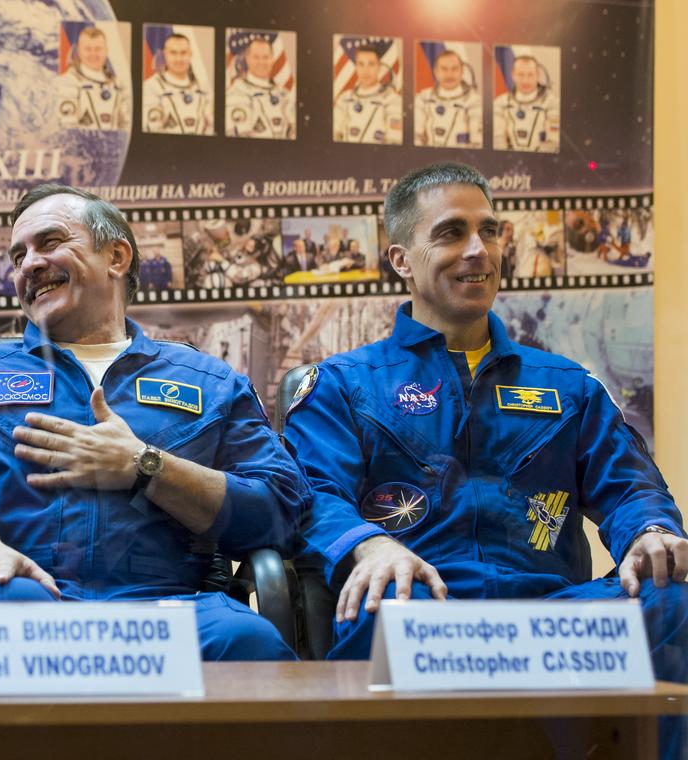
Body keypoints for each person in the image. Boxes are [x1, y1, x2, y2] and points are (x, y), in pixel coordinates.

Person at [284, 162, 686, 752]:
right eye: (451, 233)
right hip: (421, 610)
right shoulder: (344, 386)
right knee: (387, 609)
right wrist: (369, 545)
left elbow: (630, 488)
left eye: (489, 231)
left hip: (553, 620)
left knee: (674, 596)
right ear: (400, 260)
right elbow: (310, 495)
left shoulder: (567, 385)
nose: (479, 250)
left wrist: (650, 532)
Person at [0, 184, 308, 661]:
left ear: (116, 256)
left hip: (170, 608)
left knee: (252, 643)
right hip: (26, 591)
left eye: (49, 243)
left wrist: (145, 467)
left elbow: (278, 512)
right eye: (18, 256)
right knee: (7, 606)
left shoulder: (211, 382)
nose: (28, 264)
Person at [57, 26, 128, 131]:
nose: (93, 54)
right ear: (78, 51)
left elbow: (127, 124)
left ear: (106, 51)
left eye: (98, 49)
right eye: (87, 49)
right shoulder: (67, 83)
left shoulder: (118, 84)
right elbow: (67, 129)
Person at [225, 36, 295, 140]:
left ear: (272, 59)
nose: (261, 62)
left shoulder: (284, 94)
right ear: (247, 59)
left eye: (266, 57)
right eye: (256, 57)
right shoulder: (236, 93)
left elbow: (293, 133)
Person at [142, 33, 212, 136]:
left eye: (183, 53)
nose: (179, 59)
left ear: (190, 54)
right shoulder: (151, 87)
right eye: (173, 53)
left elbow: (212, 124)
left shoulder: (203, 86)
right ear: (165, 54)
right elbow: (152, 129)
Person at [333, 46, 402, 145]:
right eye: (361, 64)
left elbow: (394, 140)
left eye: (371, 64)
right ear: (356, 67)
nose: (366, 70)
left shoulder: (392, 100)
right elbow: (334, 134)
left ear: (379, 67)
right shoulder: (344, 98)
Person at [415, 50, 481, 148]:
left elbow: (478, 142)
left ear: (462, 71)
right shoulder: (423, 98)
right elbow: (416, 136)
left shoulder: (474, 101)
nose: (449, 74)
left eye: (454, 69)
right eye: (444, 69)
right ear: (436, 72)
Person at [493, 55, 560, 153]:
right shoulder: (500, 103)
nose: (525, 80)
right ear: (513, 75)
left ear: (538, 75)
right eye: (520, 74)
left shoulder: (552, 103)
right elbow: (497, 140)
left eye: (530, 75)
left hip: (542, 162)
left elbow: (553, 142)